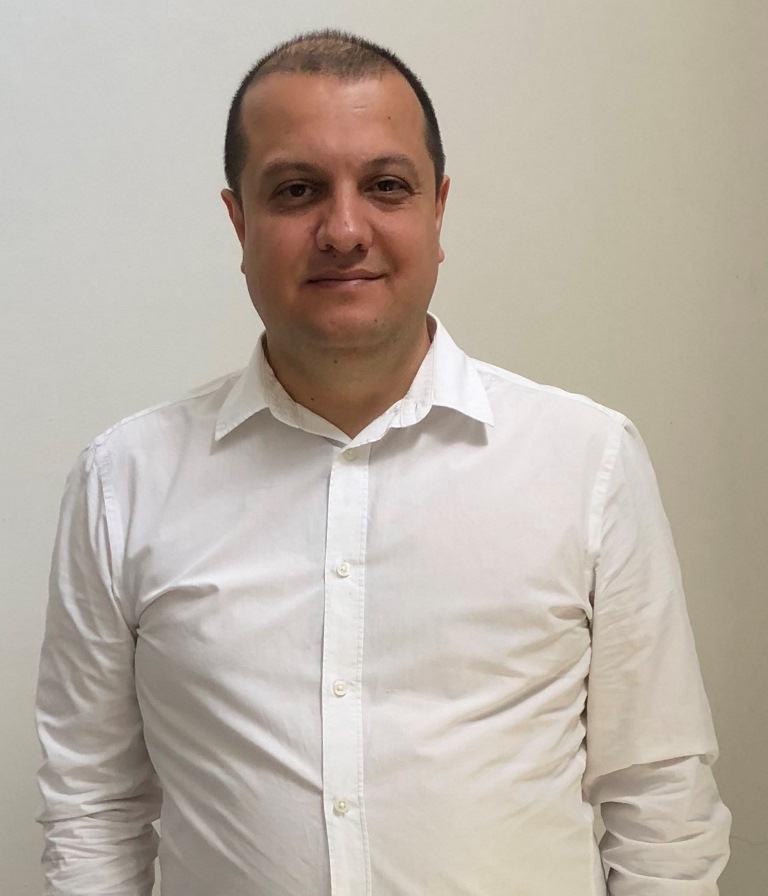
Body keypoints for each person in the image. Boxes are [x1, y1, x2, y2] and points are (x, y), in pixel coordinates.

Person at [36, 29, 731, 896]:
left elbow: (661, 806)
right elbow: (93, 810)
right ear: (239, 222)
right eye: (297, 190)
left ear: (438, 212)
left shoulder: (587, 461)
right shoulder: (124, 482)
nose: (343, 229)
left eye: (386, 186)